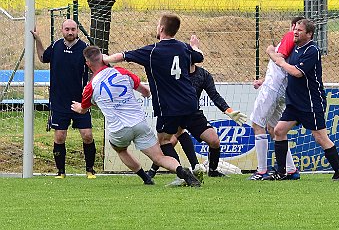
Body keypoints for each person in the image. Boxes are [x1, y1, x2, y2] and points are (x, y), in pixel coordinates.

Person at [103, 13, 245, 182]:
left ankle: (184, 174)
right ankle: (194, 170)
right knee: (207, 138)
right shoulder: (183, 47)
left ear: (161, 28)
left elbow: (124, 56)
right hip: (189, 104)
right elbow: (200, 57)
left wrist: (106, 58)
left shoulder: (152, 51)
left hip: (168, 108)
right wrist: (194, 46)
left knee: (164, 141)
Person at [71, 46, 201, 187]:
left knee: (120, 149)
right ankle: (181, 170)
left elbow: (83, 109)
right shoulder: (122, 72)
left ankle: (146, 178)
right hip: (139, 124)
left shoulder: (90, 87)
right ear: (103, 57)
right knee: (158, 157)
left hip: (119, 130)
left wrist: (78, 107)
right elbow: (145, 91)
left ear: (88, 63)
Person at [266, 18, 339, 181]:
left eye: (299, 30)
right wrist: (272, 58)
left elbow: (297, 72)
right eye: (294, 29)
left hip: (310, 103)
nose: (295, 32)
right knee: (279, 131)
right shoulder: (295, 48)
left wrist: (279, 60)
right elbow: (285, 69)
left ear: (309, 34)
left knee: (320, 138)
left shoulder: (312, 50)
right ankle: (282, 172)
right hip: (294, 103)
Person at [146, 62, 247, 183]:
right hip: (176, 112)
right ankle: (157, 171)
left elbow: (214, 95)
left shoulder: (203, 75)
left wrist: (228, 110)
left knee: (214, 140)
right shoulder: (175, 72)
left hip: (194, 114)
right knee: (170, 141)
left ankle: (212, 170)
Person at [31, 19, 96, 179]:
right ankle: (61, 172)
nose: (70, 32)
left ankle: (90, 170)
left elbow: (95, 69)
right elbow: (42, 57)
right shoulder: (56, 46)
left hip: (80, 102)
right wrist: (38, 39)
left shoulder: (84, 49)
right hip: (59, 101)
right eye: (67, 29)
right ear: (62, 30)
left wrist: (89, 94)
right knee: (60, 136)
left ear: (77, 30)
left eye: (73, 29)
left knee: (87, 135)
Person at [248, 17, 304, 181]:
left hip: (273, 89)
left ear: (294, 26)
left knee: (257, 124)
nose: (295, 31)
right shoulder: (299, 45)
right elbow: (283, 68)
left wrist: (270, 50)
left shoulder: (289, 35)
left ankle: (262, 170)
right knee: (274, 129)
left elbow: (279, 58)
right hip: (280, 89)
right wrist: (264, 80)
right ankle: (291, 169)